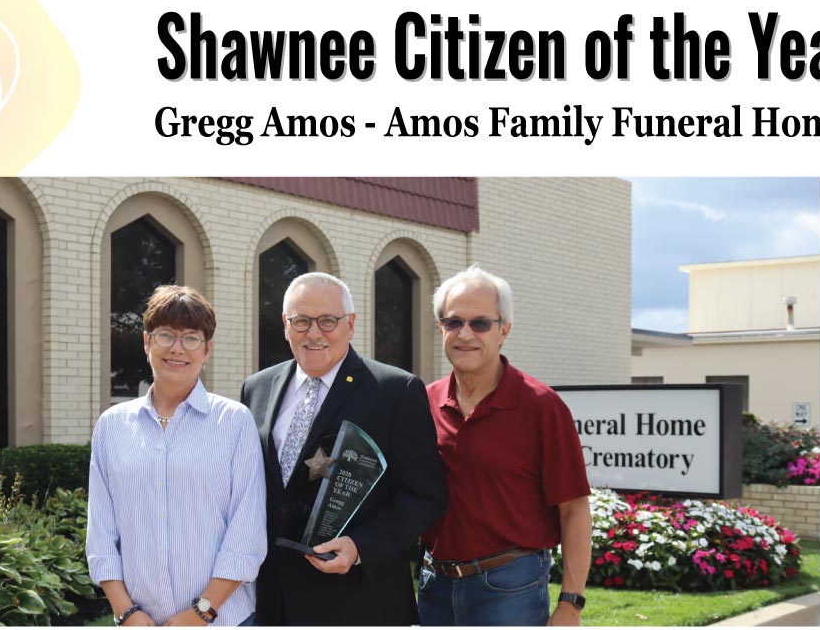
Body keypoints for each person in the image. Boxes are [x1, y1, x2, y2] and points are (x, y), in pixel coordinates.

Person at [240, 272, 446, 626]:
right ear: (286, 325)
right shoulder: (256, 388)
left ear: (350, 325)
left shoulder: (396, 391)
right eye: (301, 321)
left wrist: (361, 547)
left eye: (328, 321)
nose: (314, 333)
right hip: (272, 600)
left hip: (358, 602)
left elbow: (423, 496)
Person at [418, 265, 592, 627]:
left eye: (480, 323)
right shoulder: (423, 402)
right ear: (441, 328)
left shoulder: (542, 406)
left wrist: (571, 606)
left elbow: (574, 509)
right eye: (453, 322)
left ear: (504, 330)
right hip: (434, 586)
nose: (465, 333)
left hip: (510, 588)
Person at [88, 285, 266, 626]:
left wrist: (201, 613)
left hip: (224, 620)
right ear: (146, 342)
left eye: (191, 338)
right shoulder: (112, 426)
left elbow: (247, 532)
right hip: (139, 621)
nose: (177, 348)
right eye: (166, 335)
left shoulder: (234, 422)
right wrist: (126, 613)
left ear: (208, 348)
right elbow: (101, 531)